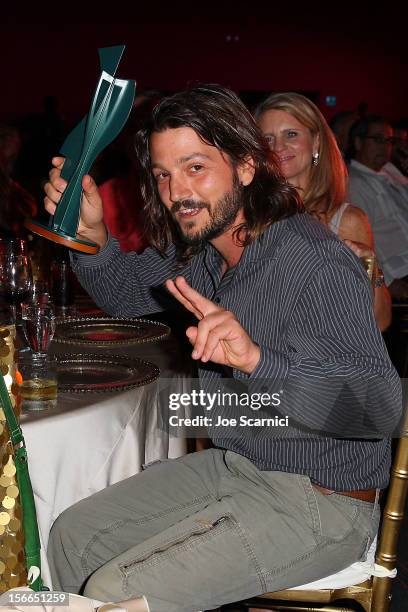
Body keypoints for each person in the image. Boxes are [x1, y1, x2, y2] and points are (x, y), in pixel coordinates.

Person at [44, 85, 401, 612]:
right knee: (73, 537)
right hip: (243, 467)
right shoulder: (211, 253)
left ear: (247, 167)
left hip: (321, 502)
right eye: (163, 174)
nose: (176, 191)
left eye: (195, 168)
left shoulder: (312, 260)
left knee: (114, 593)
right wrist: (93, 239)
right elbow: (125, 293)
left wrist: (258, 362)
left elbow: (377, 408)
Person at [254, 92, 391, 331]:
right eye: (267, 139)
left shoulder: (346, 220)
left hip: (319, 362)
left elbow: (379, 321)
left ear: (316, 142)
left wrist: (371, 265)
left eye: (291, 134)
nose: (278, 147)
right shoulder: (251, 216)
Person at [346, 115, 408, 300]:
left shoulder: (390, 170)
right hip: (399, 272)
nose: (385, 146)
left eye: (389, 141)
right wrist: (386, 282)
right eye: (378, 140)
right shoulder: (353, 182)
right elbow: (359, 243)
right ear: (358, 143)